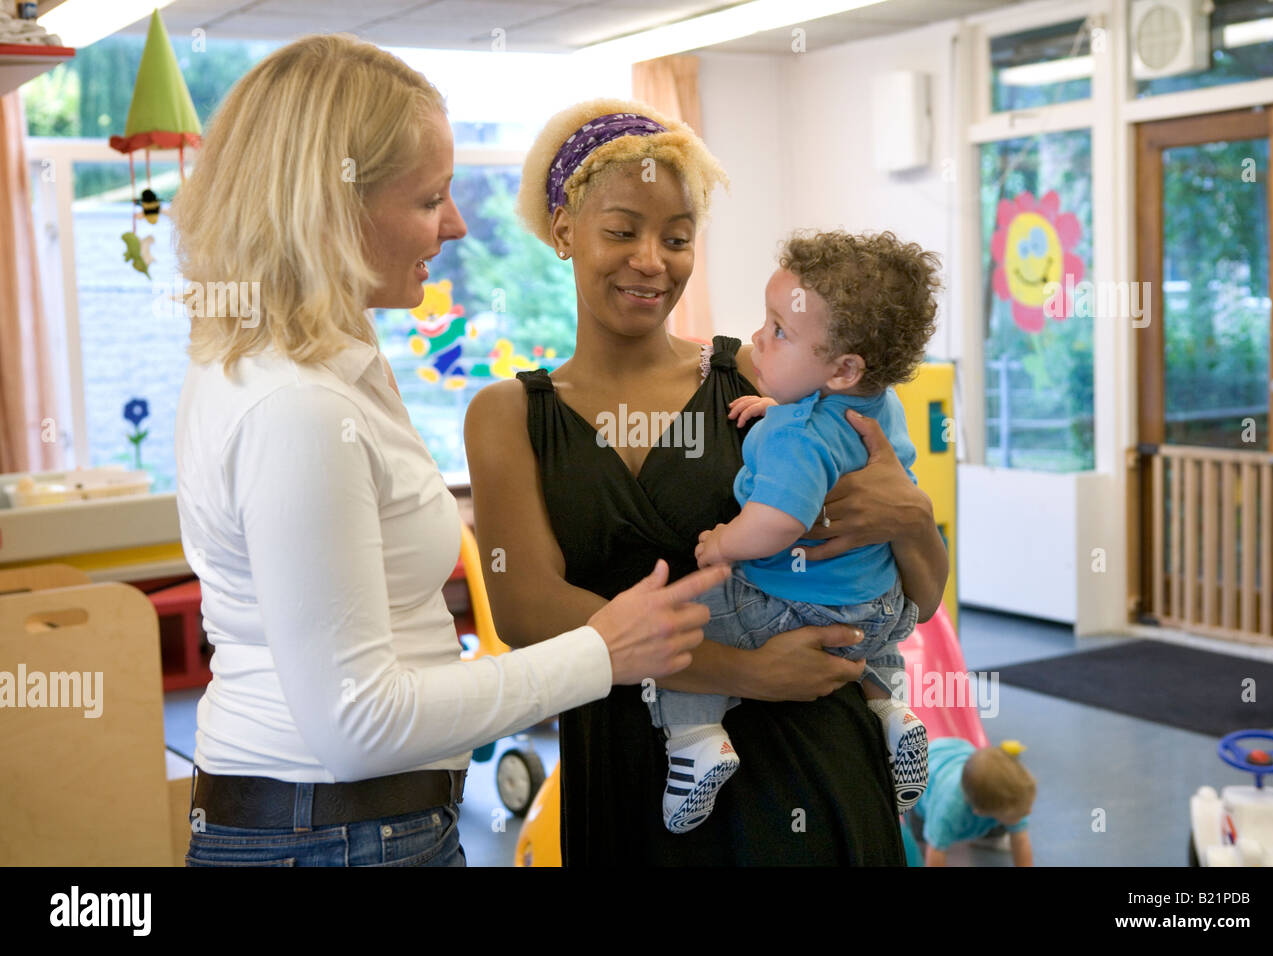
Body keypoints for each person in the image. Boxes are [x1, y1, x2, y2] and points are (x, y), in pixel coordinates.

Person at [170, 37, 727, 868]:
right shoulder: (300, 405)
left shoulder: (320, 363)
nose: (459, 224)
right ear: (334, 205)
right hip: (336, 834)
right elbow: (361, 724)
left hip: (343, 826)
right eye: (431, 199)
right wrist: (604, 650)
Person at [465, 98, 951, 865]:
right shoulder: (508, 415)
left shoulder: (769, 377)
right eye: (622, 230)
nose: (652, 259)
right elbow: (528, 611)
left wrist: (914, 517)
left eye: (678, 237)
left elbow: (920, 594)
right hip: (627, 763)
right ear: (564, 230)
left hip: (805, 759)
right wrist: (746, 672)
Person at [652, 229, 941, 834]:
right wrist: (776, 410)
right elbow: (822, 431)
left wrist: (724, 543)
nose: (758, 337)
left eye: (779, 330)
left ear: (842, 368)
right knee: (871, 647)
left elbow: (778, 522)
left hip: (795, 608)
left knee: (689, 609)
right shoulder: (877, 404)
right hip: (879, 607)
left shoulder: (795, 435)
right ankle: (892, 710)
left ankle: (697, 740)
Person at [906, 739, 1036, 867]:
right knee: (924, 838)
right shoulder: (948, 810)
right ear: (980, 812)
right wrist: (934, 844)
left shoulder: (1017, 800)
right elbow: (936, 850)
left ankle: (989, 837)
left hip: (958, 751)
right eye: (1020, 812)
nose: (1029, 811)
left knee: (1007, 817)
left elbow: (1020, 840)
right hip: (925, 769)